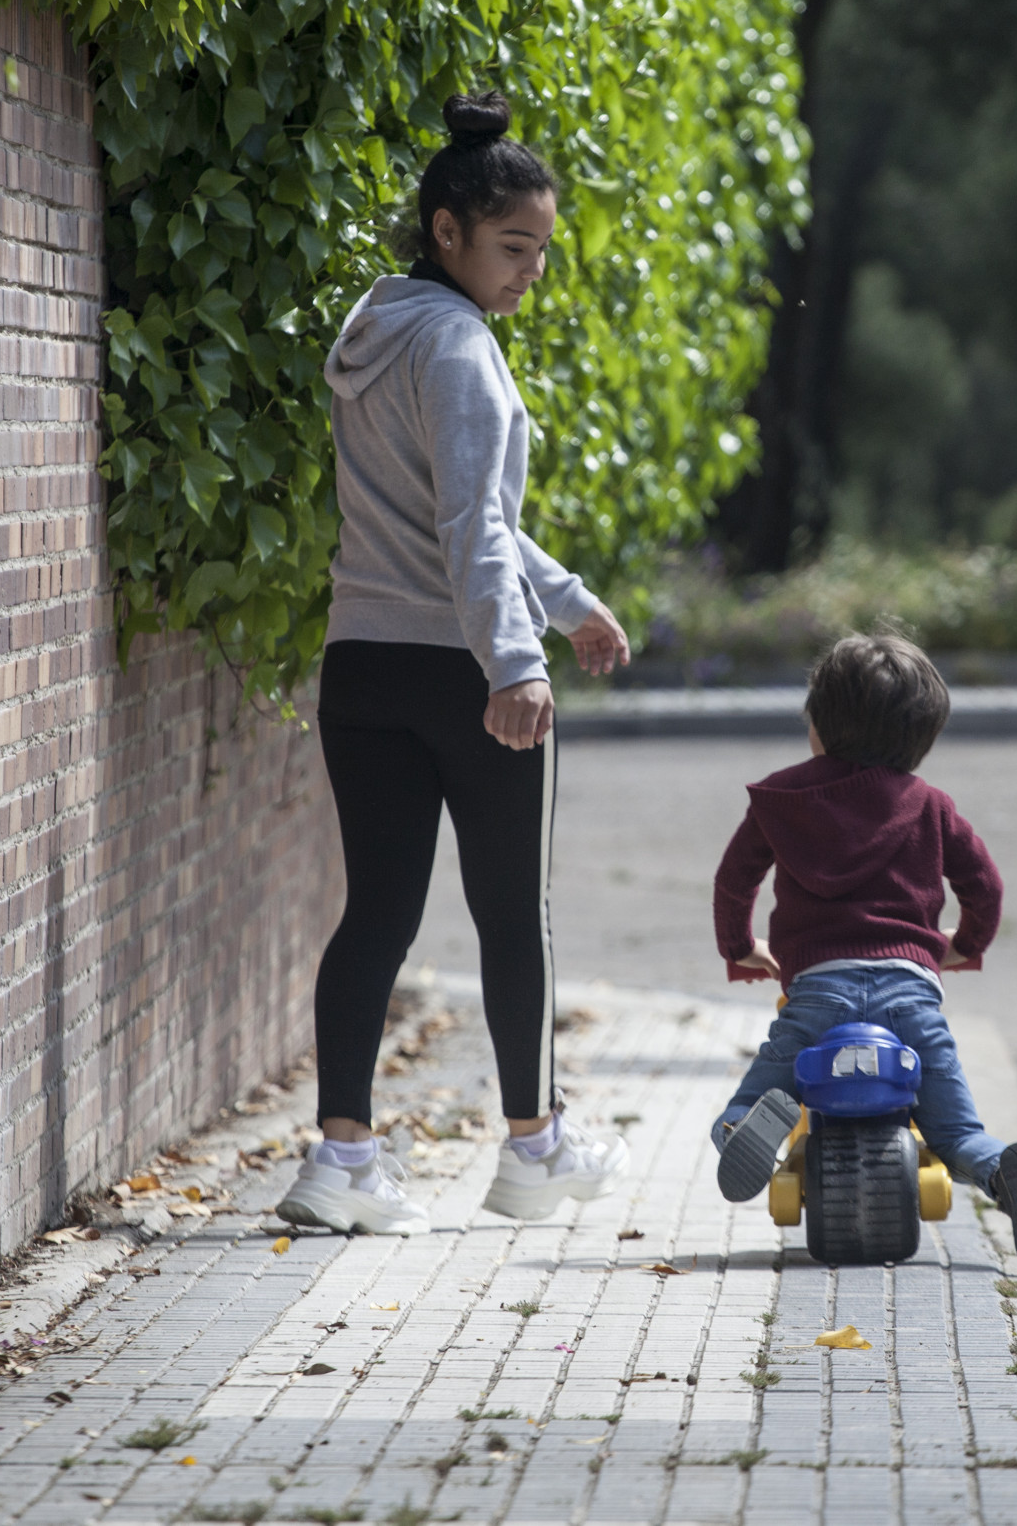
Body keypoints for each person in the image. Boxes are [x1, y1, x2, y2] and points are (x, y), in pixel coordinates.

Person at [278, 90, 632, 1237]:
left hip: (362, 665)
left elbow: (458, 514)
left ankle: (342, 1161)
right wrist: (515, 662)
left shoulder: (374, 333)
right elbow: (471, 529)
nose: (529, 270)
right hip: (461, 674)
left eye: (541, 248)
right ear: (446, 230)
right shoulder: (465, 351)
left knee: (375, 909)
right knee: (508, 913)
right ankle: (533, 1147)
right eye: (512, 246)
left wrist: (568, 601)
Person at [708, 633, 1017, 1276]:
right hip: (911, 996)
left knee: (750, 1099)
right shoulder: (929, 804)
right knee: (955, 1132)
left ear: (817, 723)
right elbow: (984, 885)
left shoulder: (780, 799)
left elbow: (735, 881)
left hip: (816, 993)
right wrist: (962, 947)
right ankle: (1001, 1172)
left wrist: (742, 949)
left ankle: (749, 1133)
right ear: (921, 738)